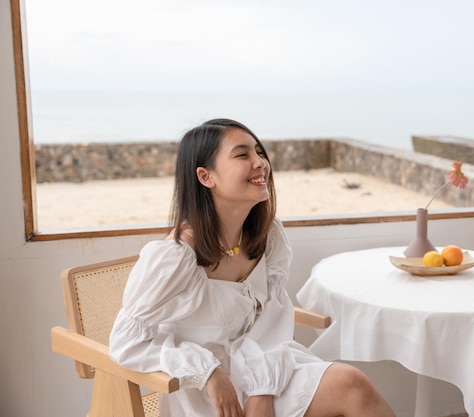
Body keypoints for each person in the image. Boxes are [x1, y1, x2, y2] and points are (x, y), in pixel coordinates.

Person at [109, 118, 396, 417]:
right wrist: (208, 371)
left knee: (351, 384)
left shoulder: (267, 235)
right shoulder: (175, 256)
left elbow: (272, 318)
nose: (261, 163)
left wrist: (263, 390)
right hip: (206, 392)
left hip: (264, 365)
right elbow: (126, 343)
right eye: (243, 155)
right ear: (206, 177)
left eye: (260, 152)